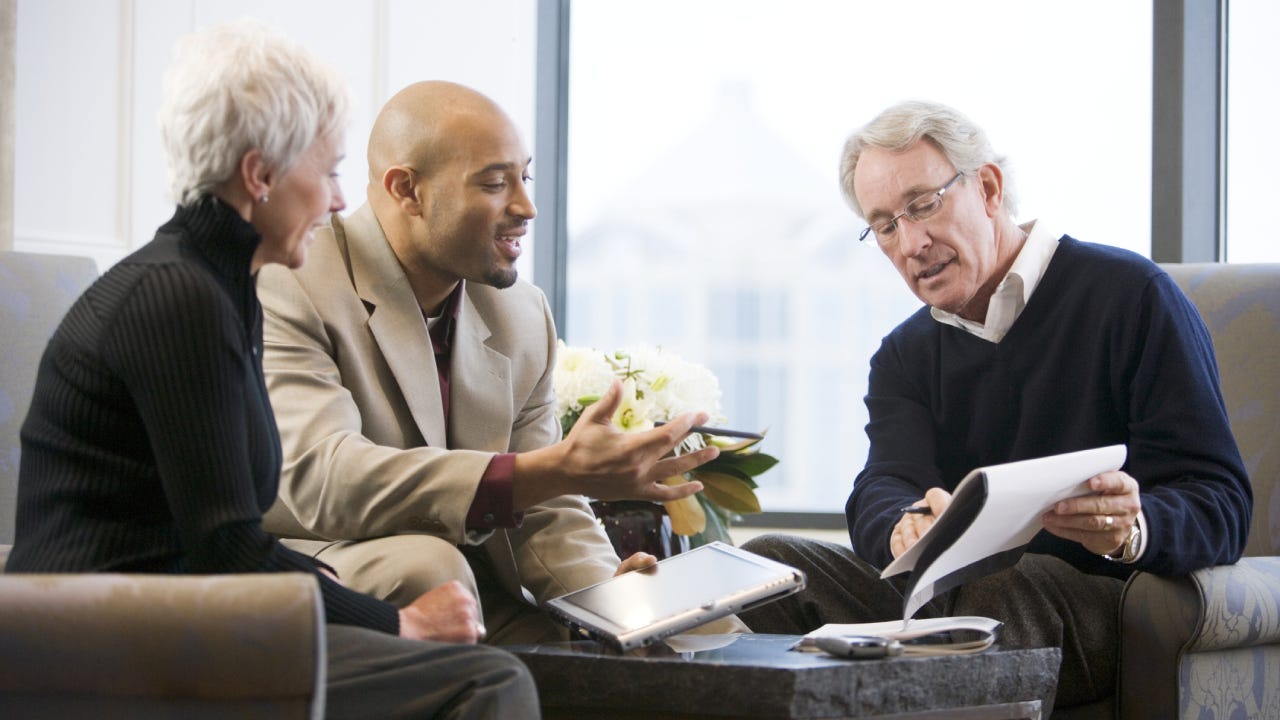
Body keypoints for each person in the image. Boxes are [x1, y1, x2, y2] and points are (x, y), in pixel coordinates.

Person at [5, 21, 538, 719]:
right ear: (260, 176)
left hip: (169, 616)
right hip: (99, 640)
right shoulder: (180, 299)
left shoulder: (214, 286)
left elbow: (225, 537)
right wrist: (397, 623)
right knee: (487, 682)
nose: (342, 201)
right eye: (330, 171)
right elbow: (229, 545)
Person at [738, 100, 1251, 710]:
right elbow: (884, 482)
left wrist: (1130, 527)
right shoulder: (903, 355)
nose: (911, 242)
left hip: (1091, 600)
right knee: (765, 568)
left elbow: (1220, 500)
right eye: (884, 225)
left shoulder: (1131, 296)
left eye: (923, 205)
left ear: (986, 187)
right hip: (946, 597)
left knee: (999, 588)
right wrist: (903, 525)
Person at [257, 80, 735, 644]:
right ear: (406, 189)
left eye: (525, 178)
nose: (526, 207)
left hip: (485, 592)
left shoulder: (521, 313)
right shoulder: (291, 281)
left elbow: (547, 509)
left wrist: (610, 595)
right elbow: (322, 479)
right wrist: (552, 470)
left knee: (694, 624)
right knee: (431, 567)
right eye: (494, 183)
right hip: (331, 566)